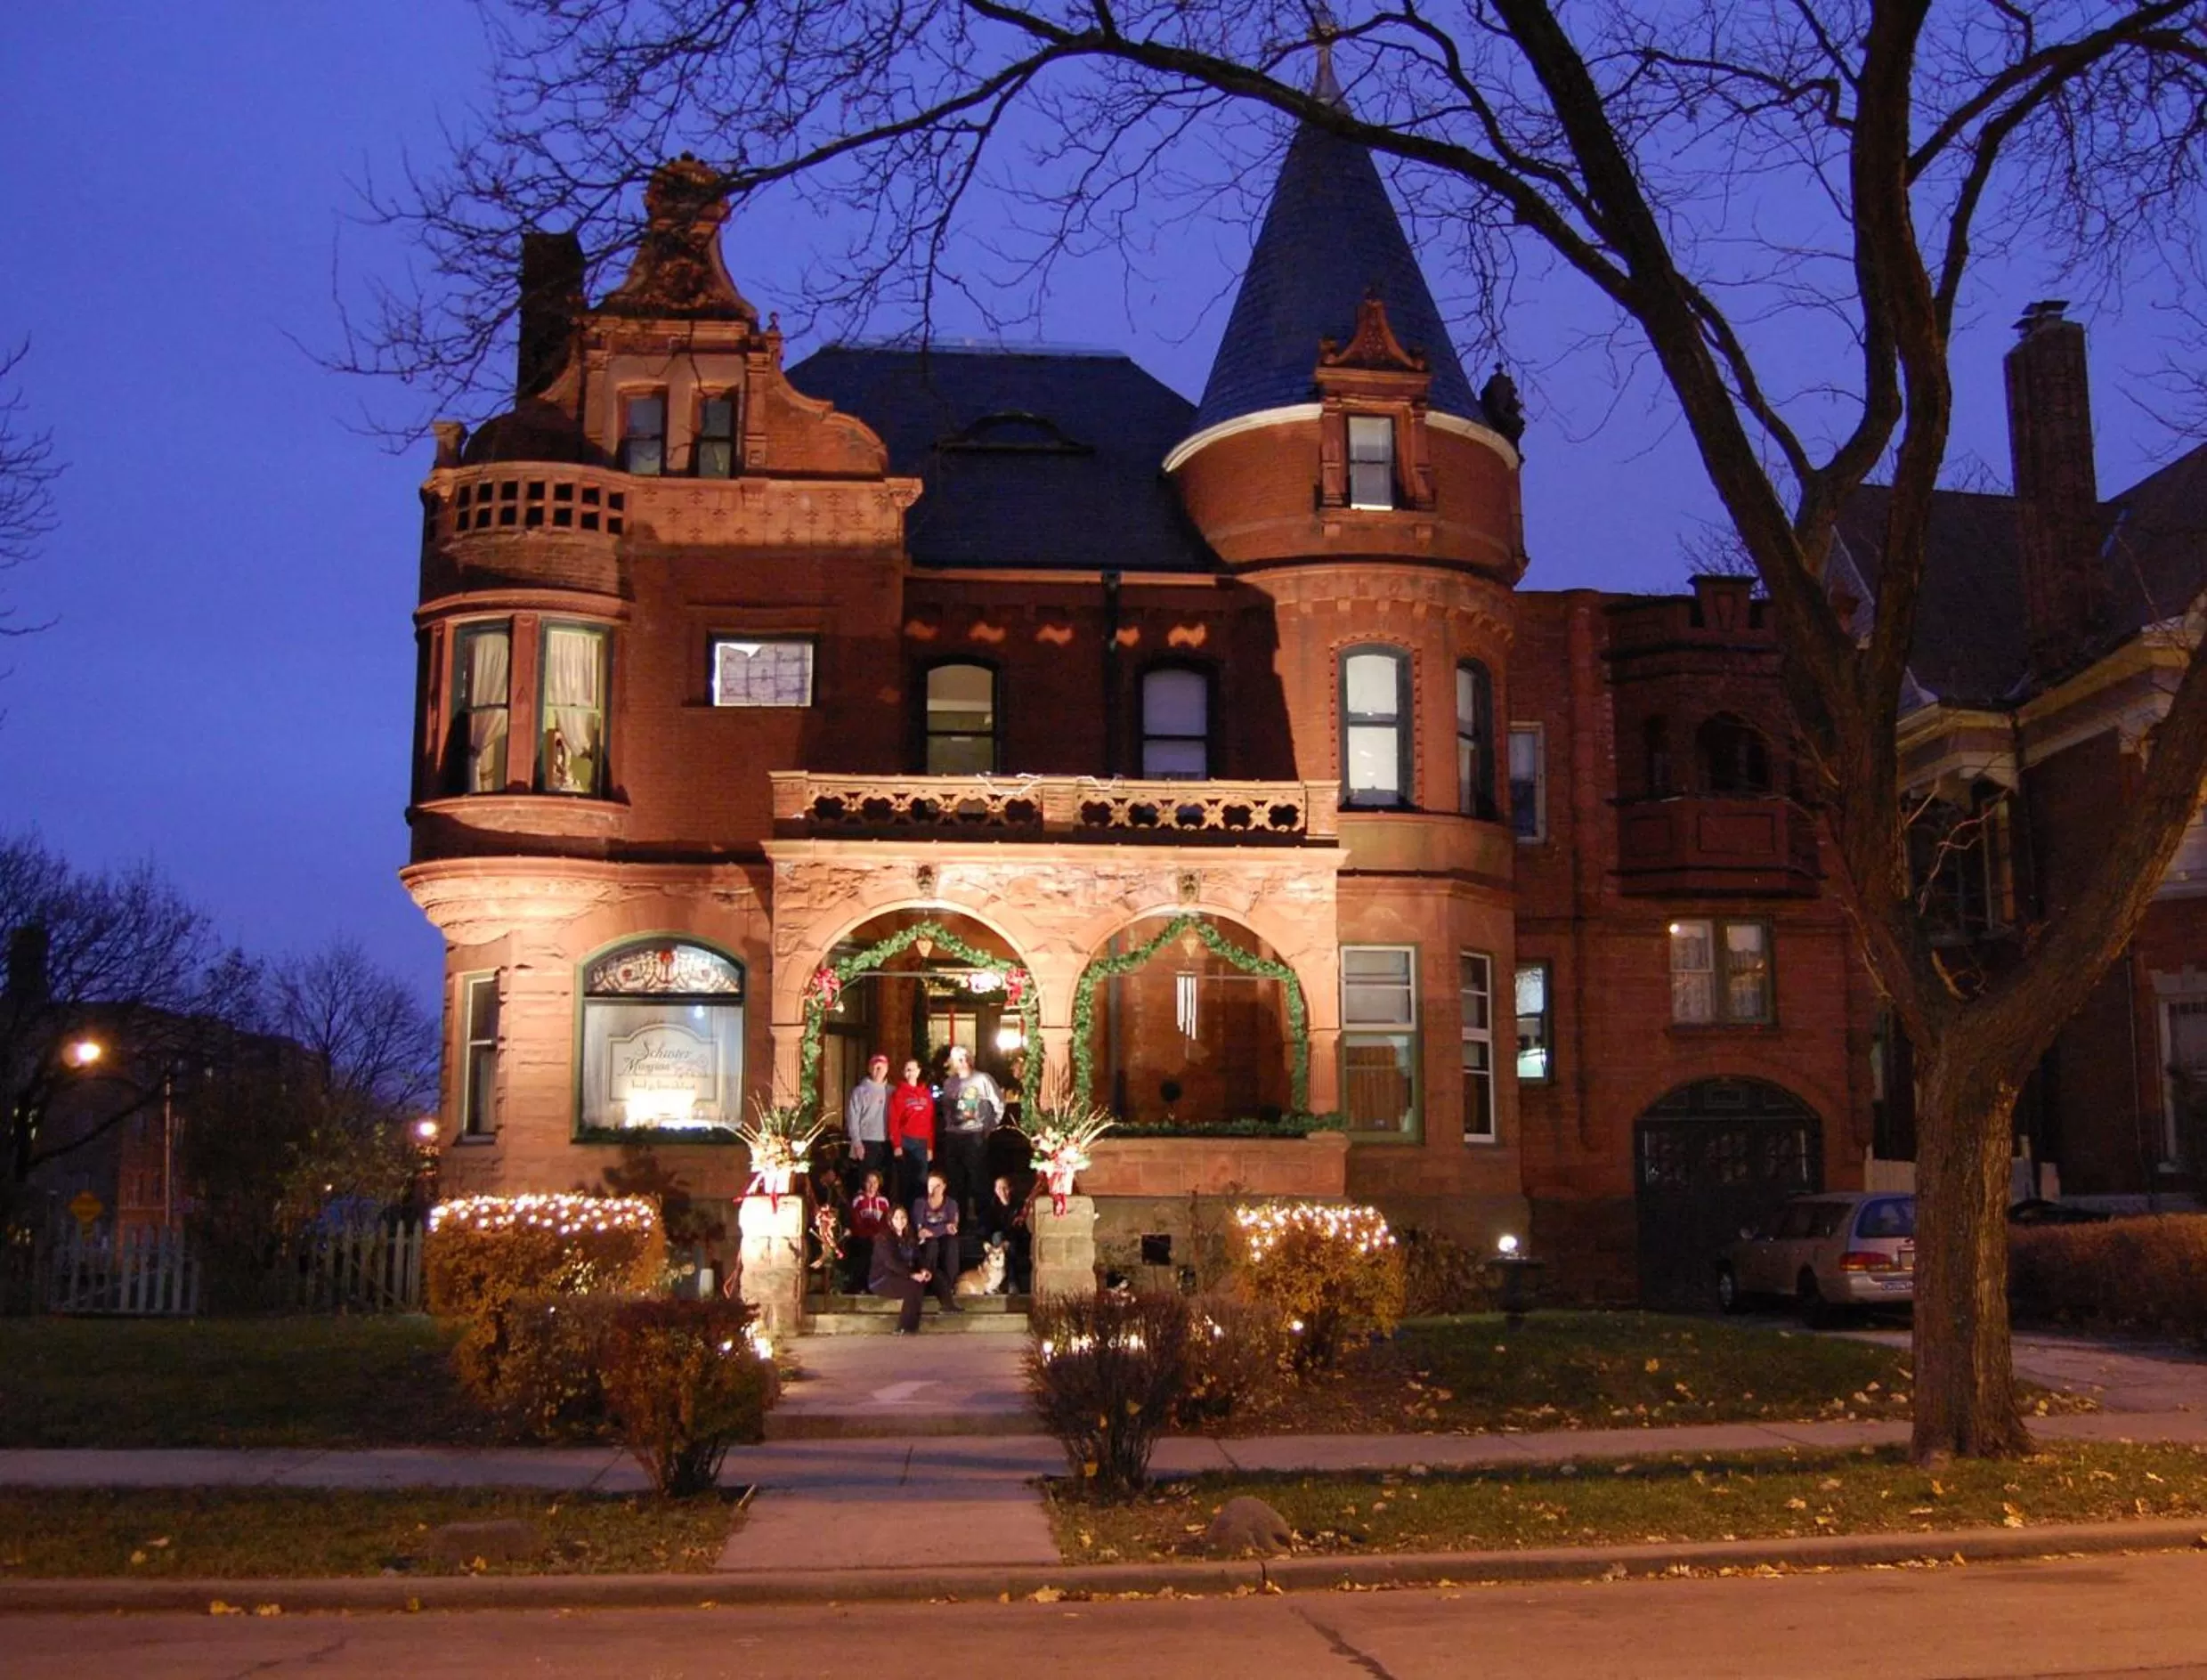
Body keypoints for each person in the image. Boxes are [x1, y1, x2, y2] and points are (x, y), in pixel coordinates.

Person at [938, 1043, 1004, 1221]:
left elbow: (998, 1104)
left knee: (979, 1180)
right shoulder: (949, 1083)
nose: (962, 1062)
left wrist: (990, 1126)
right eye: (958, 1059)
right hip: (954, 1136)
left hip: (975, 1135)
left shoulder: (983, 1079)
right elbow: (945, 1108)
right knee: (955, 1181)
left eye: (965, 1058)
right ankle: (957, 1221)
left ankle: (984, 1222)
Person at [867, 1205, 931, 1335]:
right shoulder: (883, 1239)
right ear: (890, 1220)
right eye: (896, 1218)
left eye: (903, 1217)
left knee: (919, 1285)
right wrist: (912, 1274)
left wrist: (924, 1269)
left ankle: (911, 1326)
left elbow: (918, 1256)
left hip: (901, 1276)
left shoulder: (909, 1237)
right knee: (913, 1286)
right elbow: (891, 1263)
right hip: (882, 1279)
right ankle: (903, 1326)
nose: (900, 1221)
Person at [910, 1169, 962, 1313]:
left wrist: (937, 1230)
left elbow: (952, 1228)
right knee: (932, 1244)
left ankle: (949, 1286)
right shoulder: (920, 1203)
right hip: (925, 1243)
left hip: (944, 1240)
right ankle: (928, 1283)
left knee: (952, 1243)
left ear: (944, 1187)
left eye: (937, 1186)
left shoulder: (951, 1204)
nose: (933, 1189)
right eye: (930, 1185)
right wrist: (943, 1228)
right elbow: (921, 1231)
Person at [887, 1057, 936, 1206]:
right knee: (905, 1182)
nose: (910, 1073)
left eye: (913, 1069)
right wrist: (897, 1145)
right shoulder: (899, 1093)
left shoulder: (926, 1094)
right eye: (907, 1070)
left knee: (921, 1182)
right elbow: (893, 1120)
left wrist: (929, 1147)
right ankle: (904, 1219)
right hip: (906, 1141)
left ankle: (919, 1218)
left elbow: (931, 1122)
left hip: (922, 1142)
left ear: (919, 1071)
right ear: (904, 1072)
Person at [844, 1053, 892, 1193]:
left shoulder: (892, 1091)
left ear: (887, 1069)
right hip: (867, 1142)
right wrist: (857, 1142)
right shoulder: (860, 1091)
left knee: (884, 1182)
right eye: (875, 1067)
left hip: (887, 1142)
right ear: (869, 1069)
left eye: (881, 1068)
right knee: (866, 1182)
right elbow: (853, 1118)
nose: (878, 1071)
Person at [977, 1173, 1032, 1294]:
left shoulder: (1019, 1206)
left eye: (1004, 1187)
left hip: (1015, 1239)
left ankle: (1011, 1281)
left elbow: (1021, 1228)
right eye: (998, 1188)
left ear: (1010, 1189)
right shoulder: (990, 1208)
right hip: (997, 1241)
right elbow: (986, 1227)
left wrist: (1010, 1238)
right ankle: (1006, 1281)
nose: (1002, 1191)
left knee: (1010, 1247)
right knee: (998, 1239)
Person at [846, 1169, 891, 1294]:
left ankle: (875, 1285)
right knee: (865, 1251)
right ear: (864, 1183)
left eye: (875, 1182)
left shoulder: (883, 1202)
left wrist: (877, 1235)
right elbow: (856, 1221)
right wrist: (869, 1234)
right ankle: (860, 1285)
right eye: (869, 1182)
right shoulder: (859, 1200)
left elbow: (885, 1223)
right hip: (862, 1237)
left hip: (878, 1238)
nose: (872, 1186)